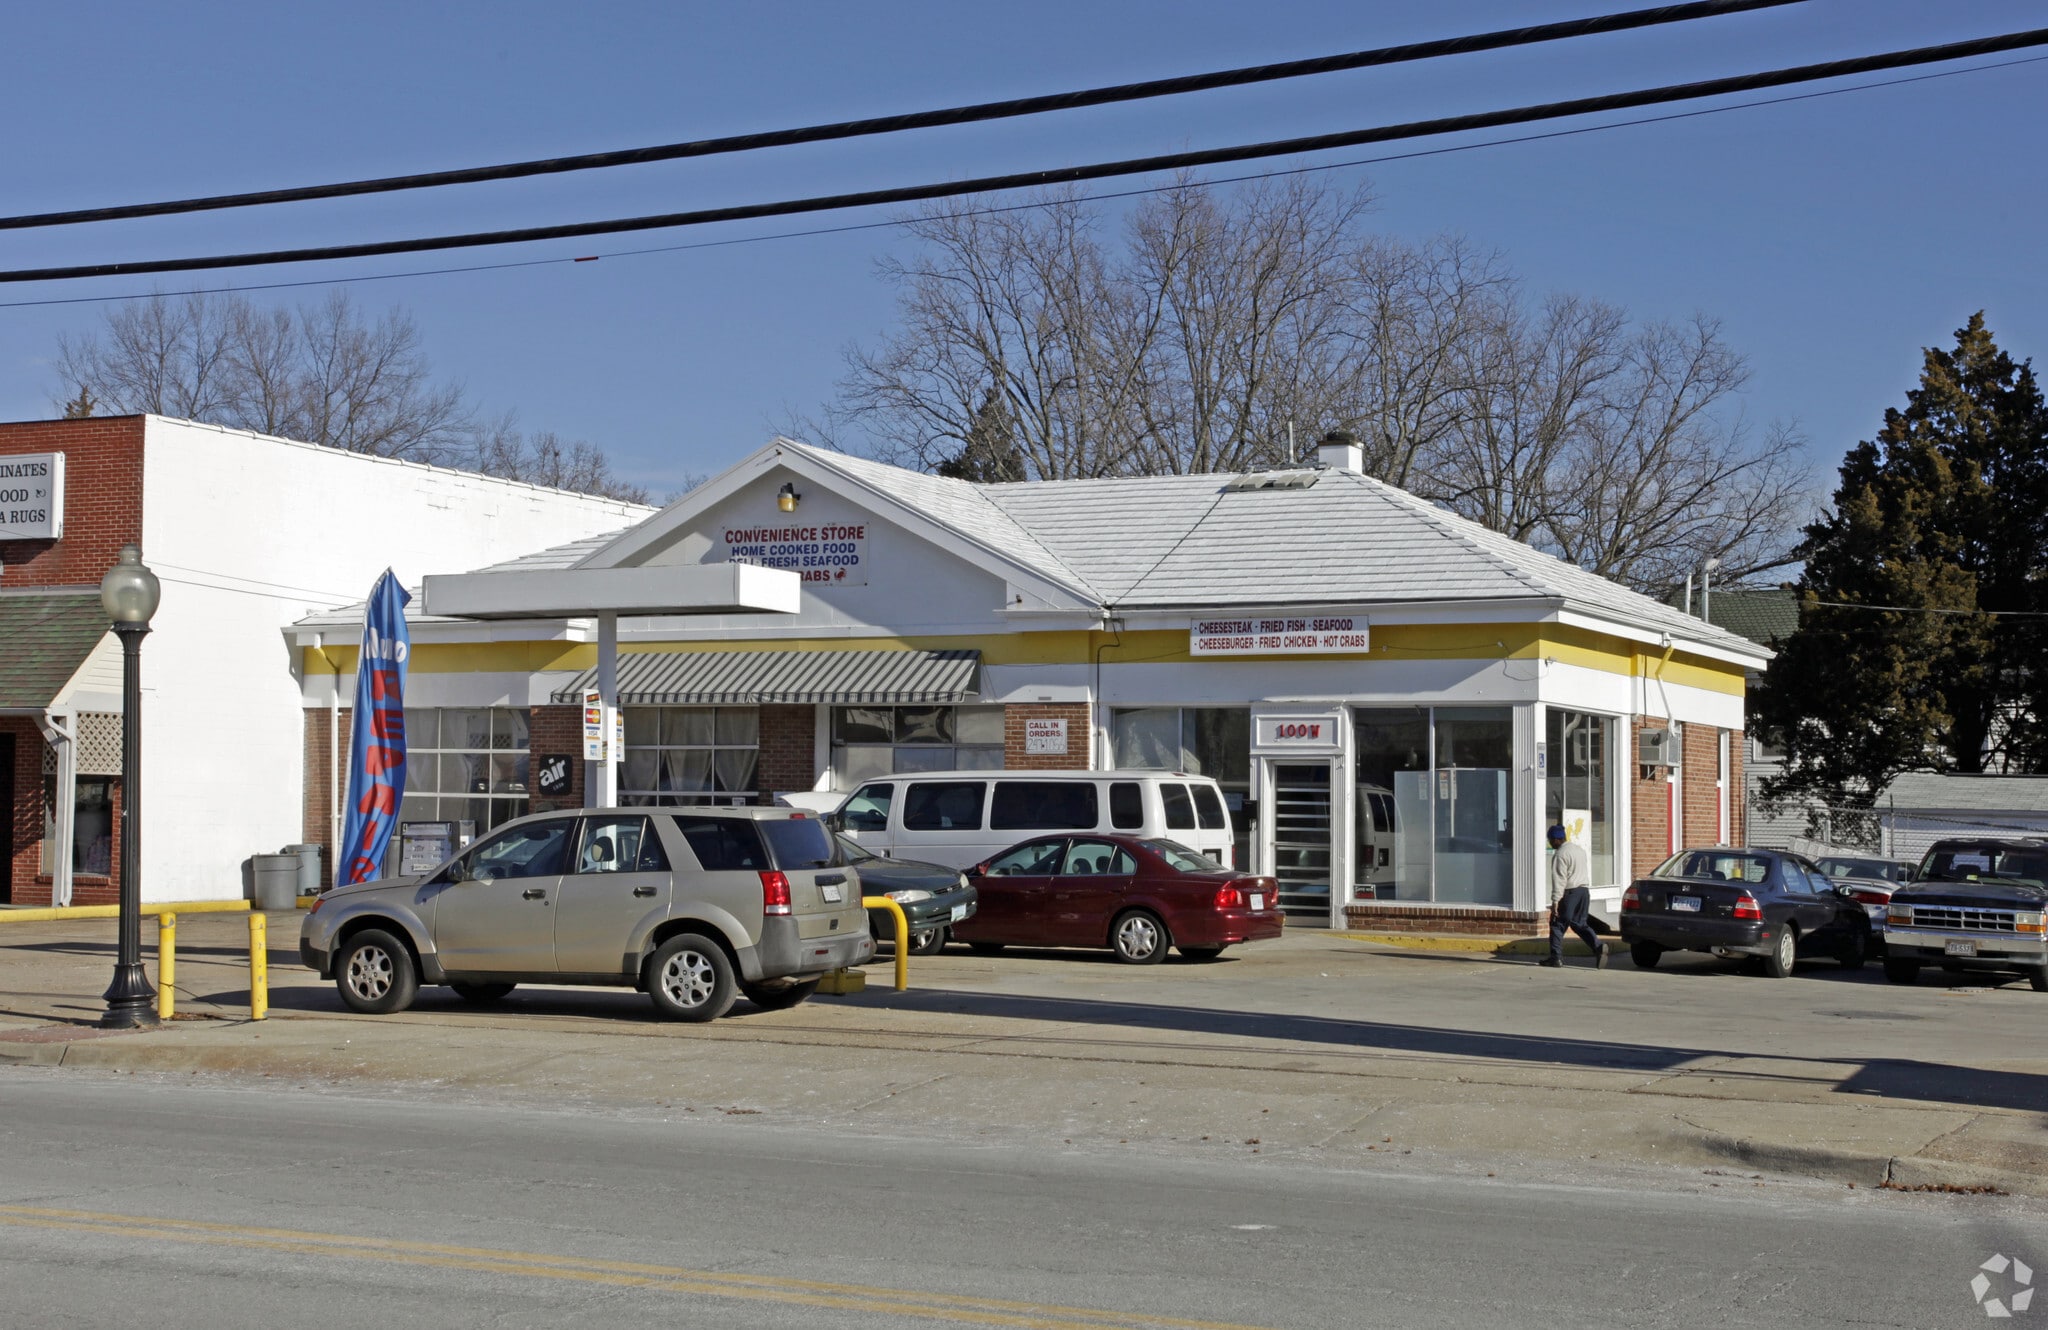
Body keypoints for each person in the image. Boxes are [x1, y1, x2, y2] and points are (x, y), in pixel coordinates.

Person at [1542, 824, 1607, 969]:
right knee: (1579, 924)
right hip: (1584, 891)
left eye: (1550, 840)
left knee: (1557, 923)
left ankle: (1555, 958)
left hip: (1570, 892)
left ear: (1556, 839)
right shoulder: (1579, 850)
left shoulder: (1560, 854)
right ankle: (1598, 947)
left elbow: (1560, 880)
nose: (1550, 843)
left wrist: (1555, 901)